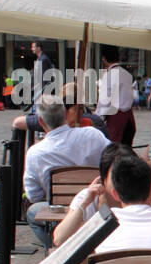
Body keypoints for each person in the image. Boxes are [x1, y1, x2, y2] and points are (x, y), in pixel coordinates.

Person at [22, 98, 111, 247]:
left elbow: (33, 195)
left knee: (33, 213)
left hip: (59, 210)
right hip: (95, 203)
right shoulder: (92, 135)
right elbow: (114, 159)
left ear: (40, 121)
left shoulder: (35, 153)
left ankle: (61, 249)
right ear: (65, 114)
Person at [95, 46, 136, 145]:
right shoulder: (128, 74)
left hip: (116, 118)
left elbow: (104, 100)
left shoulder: (109, 75)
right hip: (129, 117)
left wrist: (96, 117)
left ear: (104, 59)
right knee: (126, 148)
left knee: (114, 149)